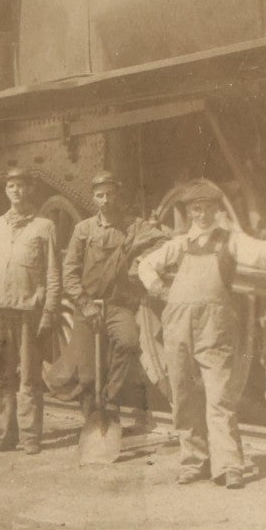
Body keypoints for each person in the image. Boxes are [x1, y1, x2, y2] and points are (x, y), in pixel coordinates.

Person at [136, 180, 266, 489]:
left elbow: (261, 253)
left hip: (215, 329)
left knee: (220, 397)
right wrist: (161, 290)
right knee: (182, 396)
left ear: (216, 210)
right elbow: (146, 266)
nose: (202, 214)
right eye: (196, 209)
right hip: (178, 329)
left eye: (208, 208)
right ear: (189, 213)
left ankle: (228, 465)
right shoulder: (179, 245)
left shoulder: (230, 242)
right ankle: (192, 461)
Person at [61, 171, 167, 427]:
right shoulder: (83, 230)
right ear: (93, 198)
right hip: (88, 306)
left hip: (118, 306)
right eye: (100, 195)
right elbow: (69, 273)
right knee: (86, 376)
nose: (106, 199)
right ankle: (93, 424)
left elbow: (162, 240)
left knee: (130, 342)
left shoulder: (132, 225)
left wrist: (141, 261)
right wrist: (85, 305)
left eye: (109, 194)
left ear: (116, 195)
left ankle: (111, 400)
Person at [0, 168, 61, 455]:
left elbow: (52, 272)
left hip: (28, 311)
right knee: (0, 376)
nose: (16, 191)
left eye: (21, 186)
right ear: (6, 191)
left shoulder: (44, 226)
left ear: (29, 190)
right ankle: (2, 435)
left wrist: (49, 310)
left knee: (29, 376)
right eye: (11, 186)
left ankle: (30, 436)